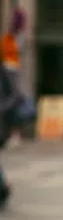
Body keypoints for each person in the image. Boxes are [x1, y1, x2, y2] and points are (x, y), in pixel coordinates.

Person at [0, 60, 23, 208]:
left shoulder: (5, 72)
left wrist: (1, 108)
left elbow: (16, 96)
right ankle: (3, 190)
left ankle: (3, 190)